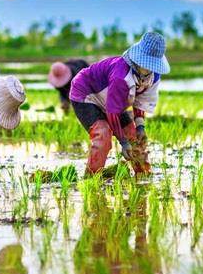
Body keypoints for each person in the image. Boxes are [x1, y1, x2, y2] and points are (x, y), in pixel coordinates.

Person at [69, 32, 170, 176]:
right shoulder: (121, 76)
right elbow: (112, 112)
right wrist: (123, 143)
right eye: (146, 64)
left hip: (113, 98)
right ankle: (91, 178)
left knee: (134, 136)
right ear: (137, 60)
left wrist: (140, 126)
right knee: (102, 135)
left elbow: (141, 102)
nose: (148, 69)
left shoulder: (154, 76)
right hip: (86, 92)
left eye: (152, 65)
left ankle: (143, 176)